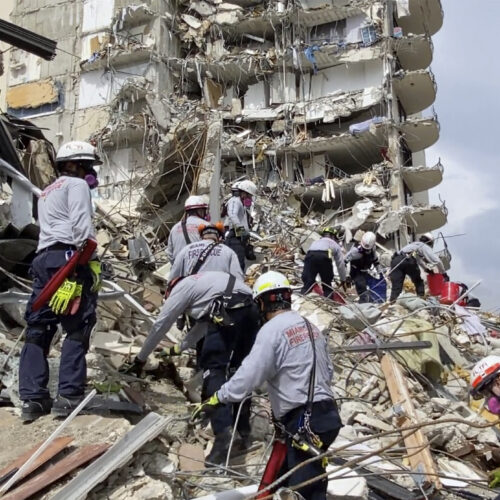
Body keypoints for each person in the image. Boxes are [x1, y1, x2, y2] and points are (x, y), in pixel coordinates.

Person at [193, 271, 342, 499]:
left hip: (303, 422)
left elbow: (248, 376)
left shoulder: (271, 331)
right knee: (282, 481)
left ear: (261, 303)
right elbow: (327, 371)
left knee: (306, 492)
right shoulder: (311, 328)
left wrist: (218, 398)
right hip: (327, 416)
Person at [121, 271, 261, 466]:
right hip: (251, 309)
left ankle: (223, 436)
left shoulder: (180, 288)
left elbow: (161, 324)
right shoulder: (207, 285)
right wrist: (176, 349)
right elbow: (203, 326)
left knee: (214, 369)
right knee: (240, 369)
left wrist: (140, 359)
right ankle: (243, 429)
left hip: (228, 311)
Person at [19, 141, 102, 421]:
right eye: (90, 166)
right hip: (69, 257)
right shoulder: (76, 185)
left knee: (38, 327)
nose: (92, 173)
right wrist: (85, 257)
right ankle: (68, 395)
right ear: (80, 164)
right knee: (78, 324)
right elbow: (81, 225)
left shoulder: (46, 192)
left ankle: (32, 398)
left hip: (43, 258)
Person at [169, 222, 243, 281]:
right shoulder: (228, 251)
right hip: (218, 295)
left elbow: (173, 278)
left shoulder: (186, 250)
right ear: (219, 238)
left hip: (192, 294)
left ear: (201, 236)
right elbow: (238, 279)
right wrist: (243, 233)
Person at [389, 233, 446, 302]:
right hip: (408, 261)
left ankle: (392, 302)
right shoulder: (424, 246)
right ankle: (421, 298)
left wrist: (426, 269)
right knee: (418, 281)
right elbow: (437, 261)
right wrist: (444, 273)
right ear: (430, 242)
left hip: (396, 260)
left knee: (397, 285)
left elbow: (418, 259)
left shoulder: (414, 245)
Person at [301, 227, 348, 298]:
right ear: (333, 236)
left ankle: (302, 298)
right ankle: (329, 302)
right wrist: (343, 279)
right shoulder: (335, 244)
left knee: (308, 282)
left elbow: (308, 257)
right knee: (327, 284)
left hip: (310, 256)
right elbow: (340, 264)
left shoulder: (315, 242)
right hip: (324, 257)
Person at [225, 179, 257, 271]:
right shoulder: (235, 201)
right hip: (234, 237)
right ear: (244, 193)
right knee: (237, 265)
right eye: (249, 195)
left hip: (238, 237)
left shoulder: (241, 203)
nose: (250, 198)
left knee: (240, 263)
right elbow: (232, 215)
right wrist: (242, 232)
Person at [166, 195, 209, 264]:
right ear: (200, 210)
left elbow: (170, 254)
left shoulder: (174, 228)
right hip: (201, 271)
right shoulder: (207, 226)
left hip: (180, 271)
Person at [345, 231, 382, 303]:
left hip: (365, 271)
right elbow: (344, 262)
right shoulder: (355, 251)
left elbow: (375, 260)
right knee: (362, 288)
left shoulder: (372, 248)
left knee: (373, 287)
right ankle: (363, 305)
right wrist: (347, 275)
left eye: (368, 250)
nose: (366, 251)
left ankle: (370, 302)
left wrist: (380, 272)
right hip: (356, 271)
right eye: (365, 249)